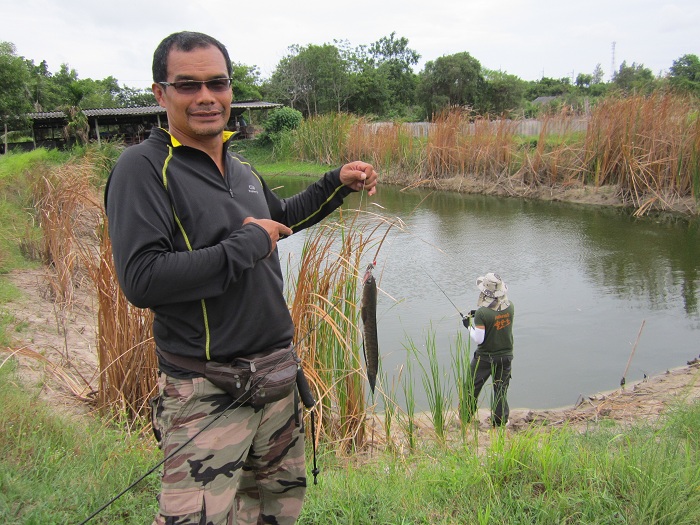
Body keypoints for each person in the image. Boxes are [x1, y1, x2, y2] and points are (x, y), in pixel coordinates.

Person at [104, 31, 378, 525]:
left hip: (276, 380)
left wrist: (334, 183)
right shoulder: (142, 168)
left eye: (218, 83)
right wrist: (247, 244)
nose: (206, 97)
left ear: (231, 90)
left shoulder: (240, 166)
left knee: (275, 512)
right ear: (159, 93)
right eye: (188, 85)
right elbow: (142, 278)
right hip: (207, 390)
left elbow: (280, 219)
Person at [462, 272, 514, 428]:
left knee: (471, 386)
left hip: (485, 358)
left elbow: (479, 339)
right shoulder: (510, 306)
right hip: (506, 356)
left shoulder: (483, 314)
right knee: (500, 389)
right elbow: (497, 316)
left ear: (485, 292)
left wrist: (469, 326)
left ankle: (465, 417)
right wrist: (478, 314)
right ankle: (500, 422)